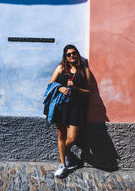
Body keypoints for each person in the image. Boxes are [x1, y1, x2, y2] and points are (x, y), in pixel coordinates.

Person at [47, 44, 90, 178]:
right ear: (65, 56)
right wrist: (60, 88)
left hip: (76, 108)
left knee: (71, 138)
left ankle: (65, 154)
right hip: (60, 107)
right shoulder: (60, 68)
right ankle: (63, 164)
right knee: (61, 136)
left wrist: (76, 88)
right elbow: (50, 85)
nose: (72, 56)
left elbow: (89, 91)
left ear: (77, 54)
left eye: (74, 53)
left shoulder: (84, 71)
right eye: (68, 54)